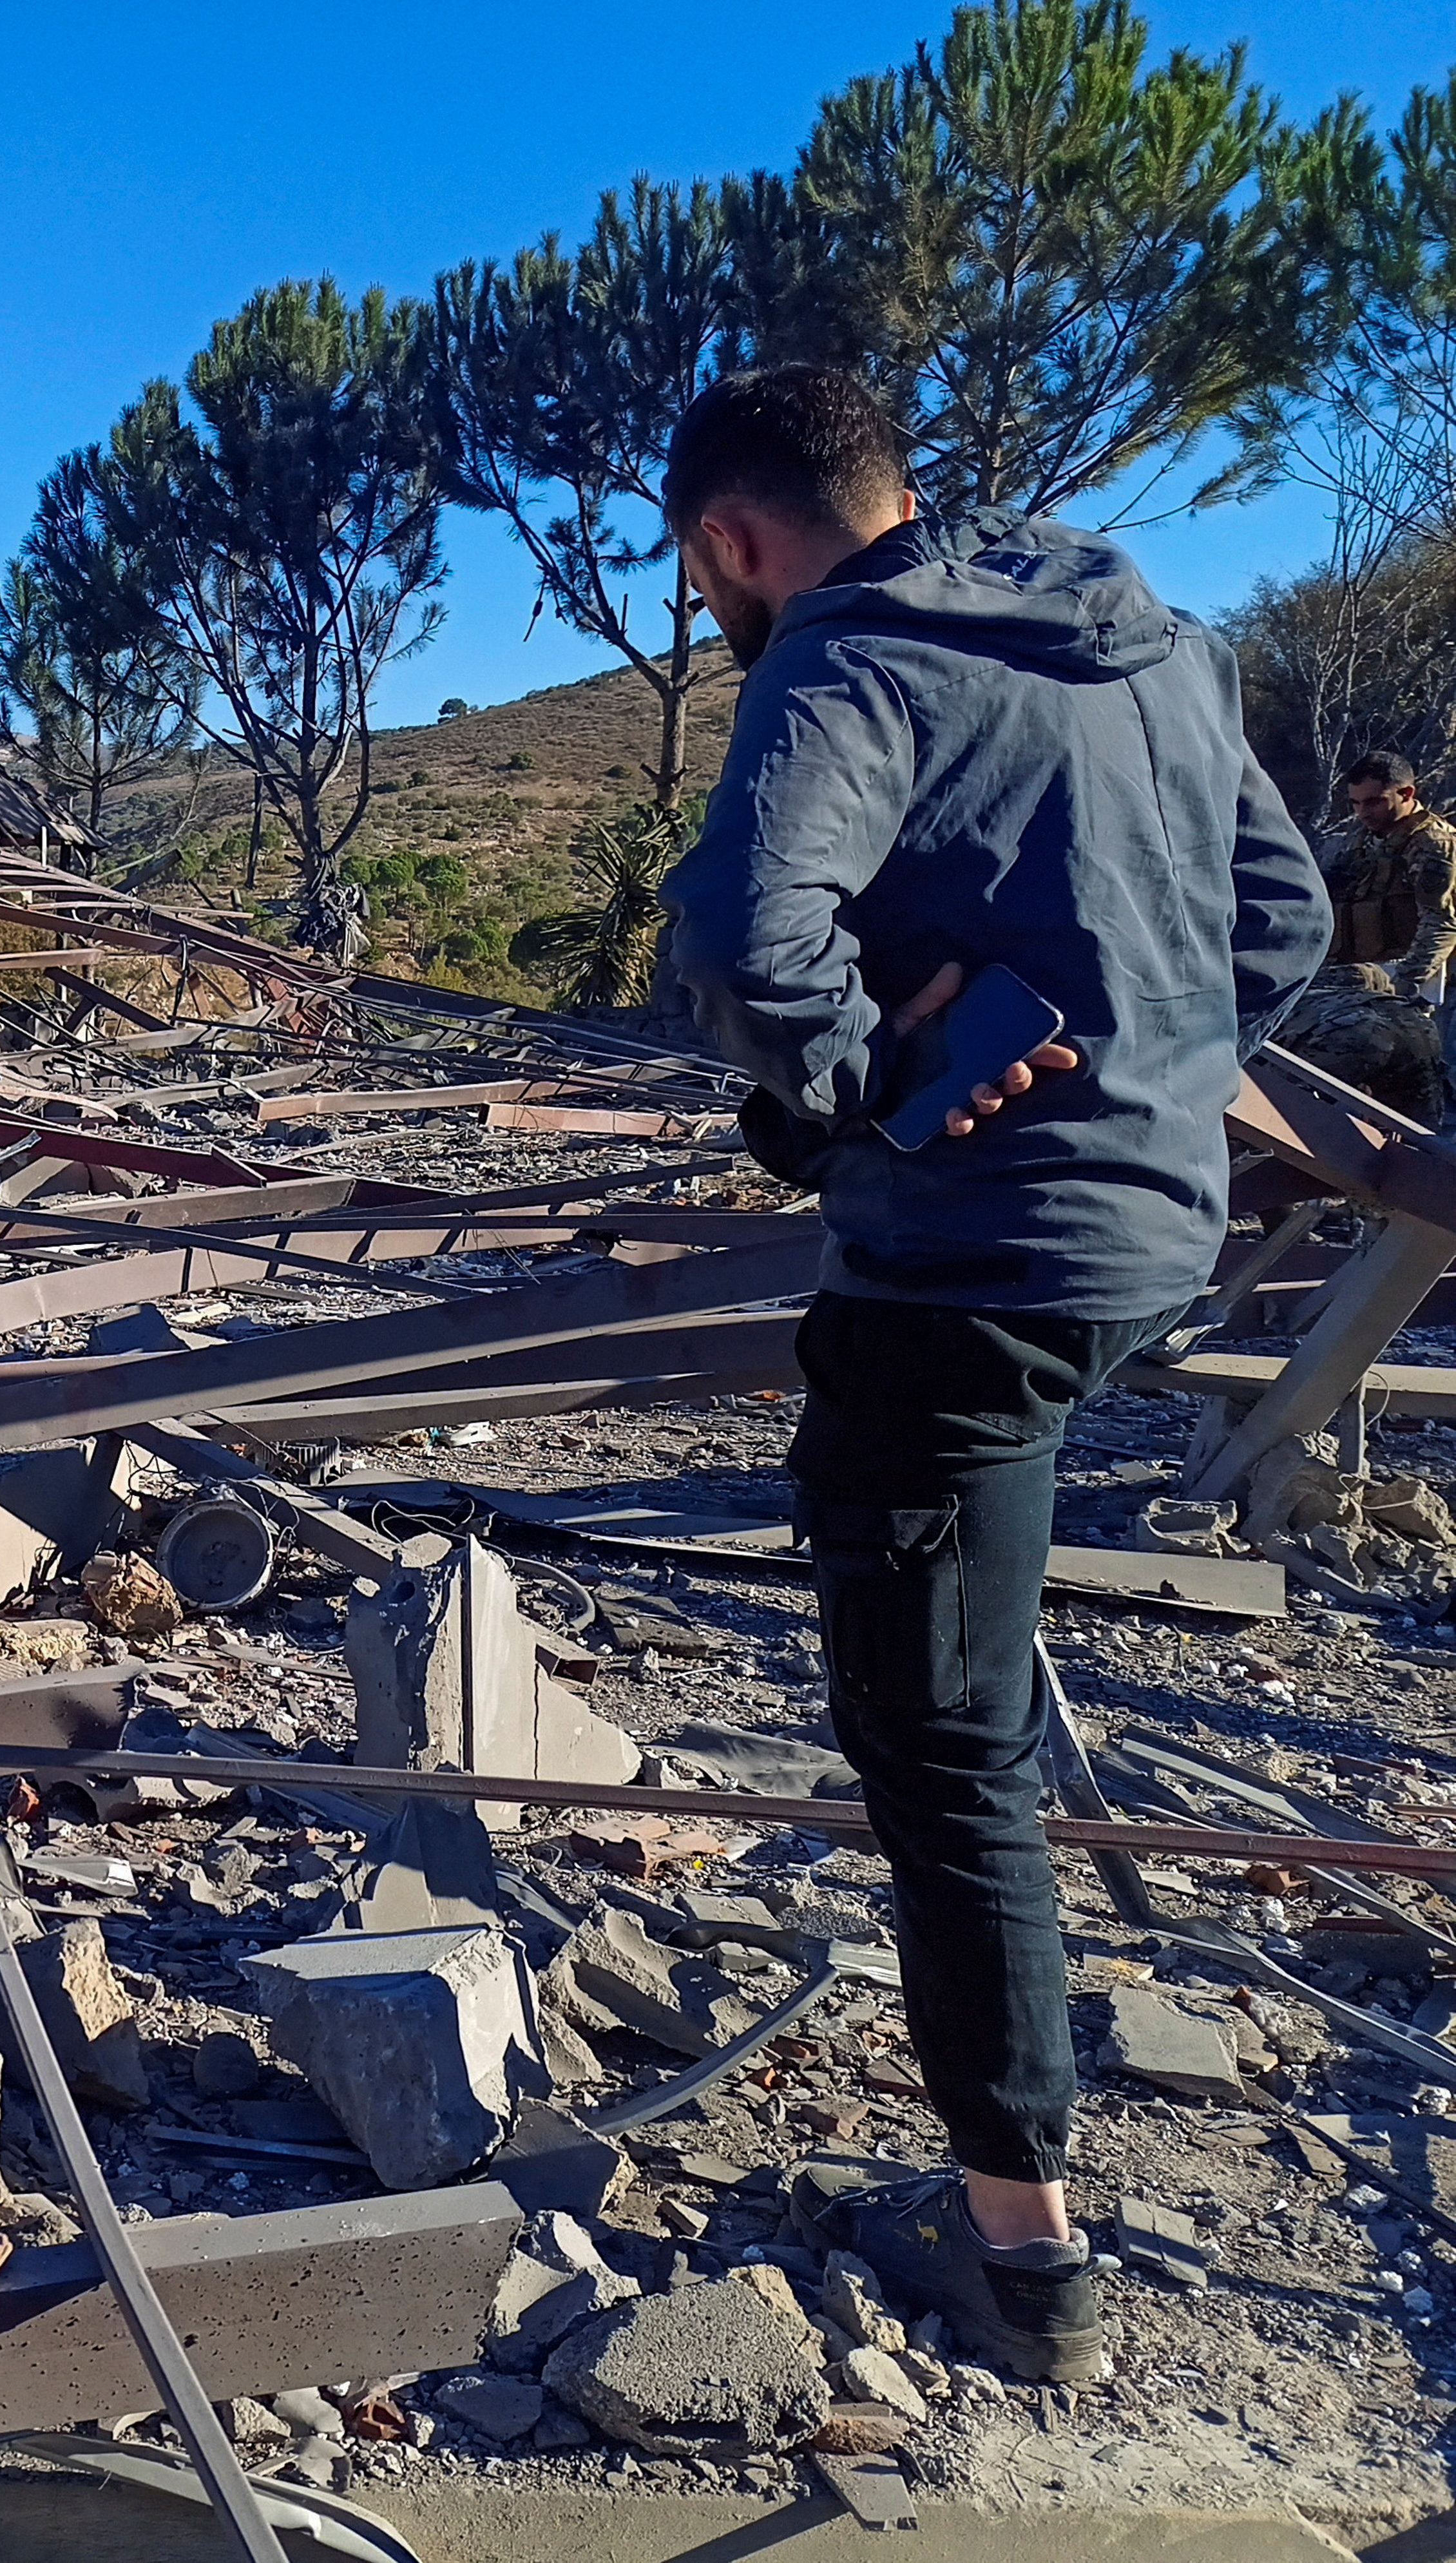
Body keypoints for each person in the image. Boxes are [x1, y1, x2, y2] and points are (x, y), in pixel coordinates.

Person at [656, 365, 1328, 2385]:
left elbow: (757, 961)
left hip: (966, 1285)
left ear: (734, 543)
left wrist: (878, 1098)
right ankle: (1013, 2172)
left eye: (707, 581)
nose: (716, 609)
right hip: (1152, 1246)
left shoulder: (842, 667)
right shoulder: (1149, 640)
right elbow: (1275, 917)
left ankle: (1022, 2254)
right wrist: (1142, 1076)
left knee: (940, 1750)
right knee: (965, 1672)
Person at [1319, 749, 1456, 997]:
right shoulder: (1365, 837)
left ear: (1406, 794)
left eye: (1374, 802)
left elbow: (1441, 923)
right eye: (1355, 803)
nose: (1362, 812)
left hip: (1407, 979)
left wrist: (1402, 985)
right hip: (1359, 974)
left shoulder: (1432, 843)